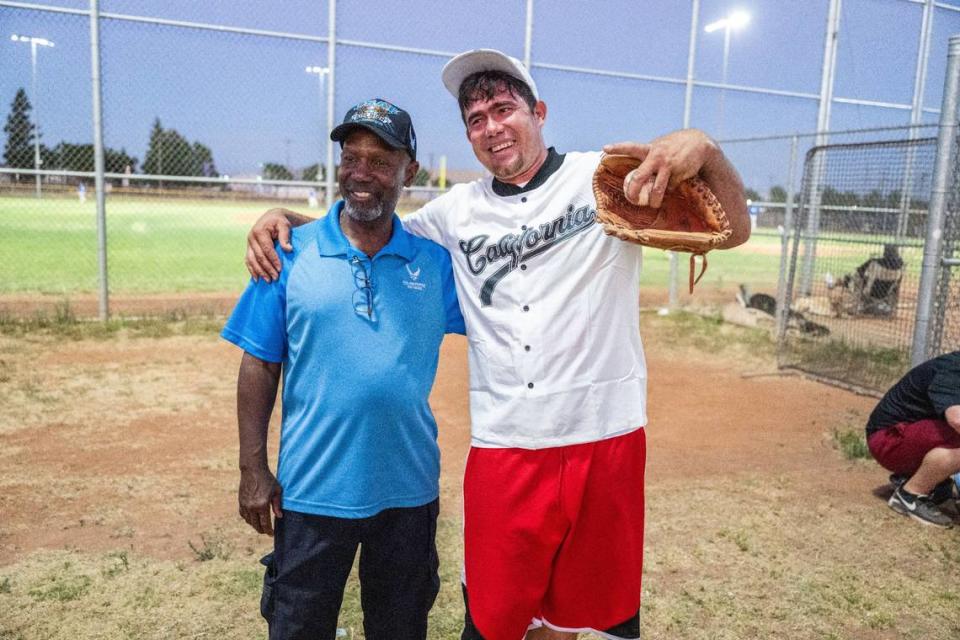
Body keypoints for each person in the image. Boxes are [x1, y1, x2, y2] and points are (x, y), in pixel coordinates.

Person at [245, 49, 750, 640]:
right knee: (496, 623)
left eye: (503, 108)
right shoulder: (455, 213)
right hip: (506, 444)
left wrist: (704, 148)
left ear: (538, 112)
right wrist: (282, 219)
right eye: (475, 119)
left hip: (604, 433)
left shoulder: (605, 180)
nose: (490, 126)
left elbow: (734, 231)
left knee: (597, 622)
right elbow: (368, 222)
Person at [222, 98, 466, 640]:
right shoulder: (287, 253)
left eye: (380, 162)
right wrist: (252, 469)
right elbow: (259, 364)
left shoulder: (434, 264)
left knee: (400, 628)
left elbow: (507, 310)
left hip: (408, 488)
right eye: (350, 158)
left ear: (410, 172)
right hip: (311, 491)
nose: (361, 174)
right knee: (298, 628)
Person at [867, 350, 960, 528]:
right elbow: (956, 419)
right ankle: (911, 494)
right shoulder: (954, 369)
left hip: (914, 436)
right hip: (887, 440)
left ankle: (936, 487)